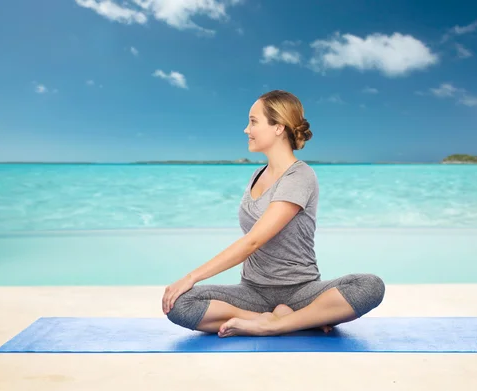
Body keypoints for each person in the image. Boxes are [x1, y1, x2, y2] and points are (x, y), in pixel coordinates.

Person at [162, 90, 385, 337]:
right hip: (252, 292)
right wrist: (188, 286)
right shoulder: (257, 174)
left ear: (278, 127)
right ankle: (281, 320)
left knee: (369, 286)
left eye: (254, 121)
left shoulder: (300, 176)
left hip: (301, 292)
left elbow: (254, 240)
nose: (247, 129)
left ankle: (276, 324)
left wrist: (191, 276)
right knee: (180, 304)